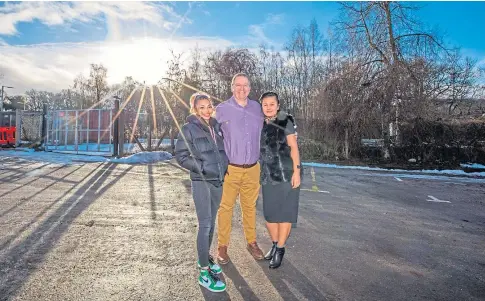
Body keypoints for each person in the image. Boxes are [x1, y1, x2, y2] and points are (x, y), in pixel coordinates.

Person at [175, 93, 229, 292]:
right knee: (205, 224)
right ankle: (204, 273)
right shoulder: (188, 128)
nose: (206, 111)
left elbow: (221, 152)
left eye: (209, 106)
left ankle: (204, 258)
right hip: (202, 181)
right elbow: (180, 156)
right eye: (201, 107)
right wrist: (202, 167)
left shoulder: (216, 126)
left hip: (218, 180)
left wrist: (225, 167)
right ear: (194, 109)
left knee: (211, 222)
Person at [215, 73, 265, 264]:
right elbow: (209, 130)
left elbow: (272, 124)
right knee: (225, 208)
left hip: (253, 168)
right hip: (230, 169)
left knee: (249, 207)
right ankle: (222, 246)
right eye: (238, 85)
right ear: (232, 87)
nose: (241, 89)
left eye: (245, 85)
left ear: (250, 88)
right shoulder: (222, 109)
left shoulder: (257, 109)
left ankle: (251, 242)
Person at [259, 91, 303, 269]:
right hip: (268, 175)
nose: (268, 107)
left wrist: (297, 172)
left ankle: (281, 248)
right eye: (265, 104)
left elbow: (293, 147)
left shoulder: (286, 121)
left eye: (272, 104)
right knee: (270, 215)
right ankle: (275, 243)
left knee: (284, 213)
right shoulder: (260, 123)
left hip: (286, 173)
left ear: (278, 105)